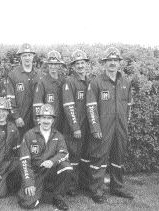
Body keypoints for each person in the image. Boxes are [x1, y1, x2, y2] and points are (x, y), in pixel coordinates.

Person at [86, 46, 134, 203]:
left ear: (119, 63)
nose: (112, 63)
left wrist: (125, 124)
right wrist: (95, 128)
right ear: (104, 63)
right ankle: (96, 190)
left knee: (118, 157)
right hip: (103, 128)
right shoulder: (96, 82)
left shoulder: (125, 82)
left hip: (120, 128)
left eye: (115, 60)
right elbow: (91, 107)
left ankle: (117, 187)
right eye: (109, 60)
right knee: (99, 158)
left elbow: (129, 106)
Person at [18, 104, 72, 211]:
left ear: (53, 120)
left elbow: (64, 153)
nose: (46, 121)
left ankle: (58, 198)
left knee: (67, 167)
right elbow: (24, 161)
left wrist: (52, 161)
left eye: (49, 118)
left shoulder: (58, 136)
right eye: (43, 117)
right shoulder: (29, 135)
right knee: (28, 204)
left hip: (50, 170)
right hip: (35, 172)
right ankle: (41, 190)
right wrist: (29, 183)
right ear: (39, 119)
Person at [62, 49, 92, 196]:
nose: (80, 66)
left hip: (88, 127)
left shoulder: (90, 81)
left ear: (86, 64)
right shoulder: (70, 81)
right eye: (77, 63)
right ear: (72, 67)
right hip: (75, 127)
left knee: (86, 156)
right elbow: (68, 106)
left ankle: (84, 184)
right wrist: (75, 127)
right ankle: (71, 187)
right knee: (73, 156)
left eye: (82, 63)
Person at [6, 43, 42, 139]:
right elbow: (10, 98)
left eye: (29, 55)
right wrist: (16, 117)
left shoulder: (40, 74)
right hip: (20, 118)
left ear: (33, 56)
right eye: (24, 55)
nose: (27, 58)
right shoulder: (13, 75)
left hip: (36, 117)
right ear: (20, 57)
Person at [33, 50, 65, 131]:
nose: (53, 66)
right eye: (51, 64)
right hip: (48, 124)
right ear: (48, 65)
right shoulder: (42, 82)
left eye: (55, 64)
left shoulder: (64, 81)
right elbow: (37, 106)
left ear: (59, 65)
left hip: (63, 123)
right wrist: (39, 126)